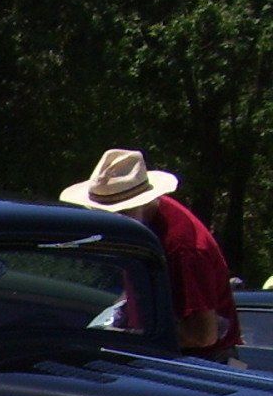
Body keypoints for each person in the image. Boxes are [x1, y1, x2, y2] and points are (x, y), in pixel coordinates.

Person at [60, 148, 240, 363]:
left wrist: (127, 335)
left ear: (141, 202)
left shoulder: (182, 248)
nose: (111, 221)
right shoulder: (145, 226)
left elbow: (202, 335)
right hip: (161, 355)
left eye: (120, 212)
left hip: (198, 367)